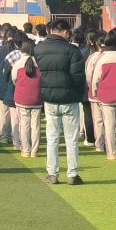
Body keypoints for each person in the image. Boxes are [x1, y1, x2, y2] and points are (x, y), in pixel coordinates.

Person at [33, 18, 84, 185]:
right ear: (66, 32)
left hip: (49, 98)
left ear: (50, 30)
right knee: (71, 138)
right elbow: (78, 77)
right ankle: (72, 174)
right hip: (69, 98)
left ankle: (52, 173)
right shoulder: (72, 50)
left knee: (52, 137)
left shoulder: (39, 48)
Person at [11, 37, 43, 158]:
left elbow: (14, 79)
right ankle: (34, 151)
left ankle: (26, 150)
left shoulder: (18, 63)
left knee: (24, 125)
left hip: (21, 98)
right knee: (36, 126)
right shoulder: (40, 63)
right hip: (37, 98)